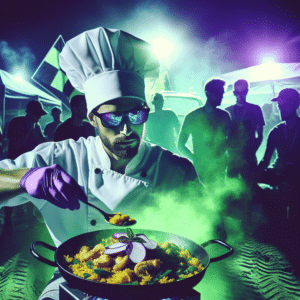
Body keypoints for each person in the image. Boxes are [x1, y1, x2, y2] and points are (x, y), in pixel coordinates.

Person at [0, 27, 201, 300]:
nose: (127, 130)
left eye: (137, 115)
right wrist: (25, 178)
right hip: (73, 280)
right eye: (113, 118)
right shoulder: (61, 157)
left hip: (152, 287)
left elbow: (208, 227)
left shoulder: (176, 169)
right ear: (92, 118)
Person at [257, 88, 300, 273]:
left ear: (296, 105)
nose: (280, 108)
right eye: (279, 104)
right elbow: (266, 161)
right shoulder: (275, 131)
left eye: (285, 104)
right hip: (280, 175)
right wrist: (253, 173)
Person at [178, 78, 231, 186]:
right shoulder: (192, 117)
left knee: (218, 201)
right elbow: (180, 144)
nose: (222, 96)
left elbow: (231, 140)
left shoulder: (224, 116)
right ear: (208, 94)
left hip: (218, 170)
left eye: (222, 93)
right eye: (219, 93)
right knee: (201, 200)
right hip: (200, 171)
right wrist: (194, 159)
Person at [3, 100, 47, 229]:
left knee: (30, 191)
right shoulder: (16, 122)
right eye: (37, 114)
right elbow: (15, 145)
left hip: (29, 165)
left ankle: (30, 219)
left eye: (39, 114)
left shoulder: (37, 125)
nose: (39, 117)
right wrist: (29, 132)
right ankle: (7, 220)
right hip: (15, 163)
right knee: (11, 190)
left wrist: (37, 133)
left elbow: (43, 145)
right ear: (29, 112)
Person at [225, 79, 265, 183]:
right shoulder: (227, 111)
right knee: (230, 191)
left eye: (243, 92)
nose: (240, 96)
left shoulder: (255, 109)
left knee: (250, 190)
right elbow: (222, 136)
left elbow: (260, 136)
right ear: (234, 93)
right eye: (237, 93)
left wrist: (252, 152)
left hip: (249, 158)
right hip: (232, 158)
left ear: (247, 91)